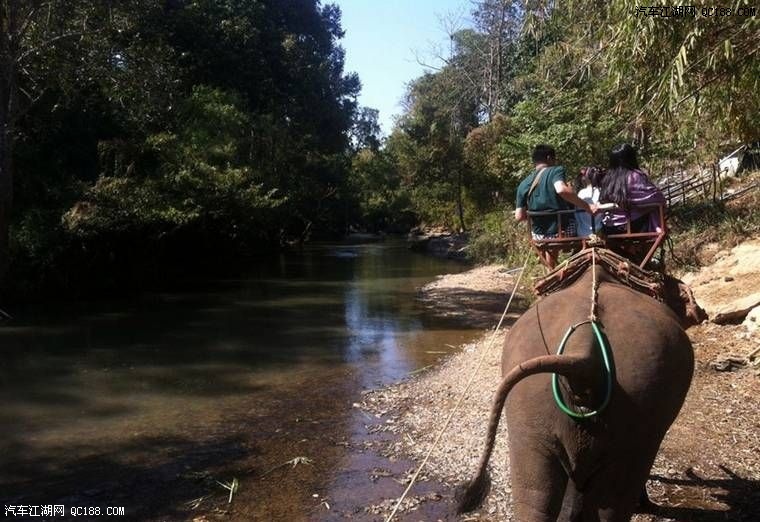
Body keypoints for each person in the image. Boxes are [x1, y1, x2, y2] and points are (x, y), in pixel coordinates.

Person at [515, 144, 596, 267]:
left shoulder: (523, 183)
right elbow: (561, 189)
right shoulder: (556, 170)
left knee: (549, 240)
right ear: (549, 158)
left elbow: (519, 216)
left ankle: (550, 269)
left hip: (538, 235)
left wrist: (539, 216)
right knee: (579, 222)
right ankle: (581, 260)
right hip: (563, 230)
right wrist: (587, 207)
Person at [598, 143, 665, 234]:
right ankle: (657, 230)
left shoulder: (607, 179)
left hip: (608, 226)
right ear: (631, 158)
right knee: (652, 208)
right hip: (631, 225)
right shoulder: (635, 176)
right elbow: (655, 197)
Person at [574, 166, 603, 237]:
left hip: (582, 233)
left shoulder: (581, 193)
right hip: (600, 231)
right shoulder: (602, 192)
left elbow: (576, 215)